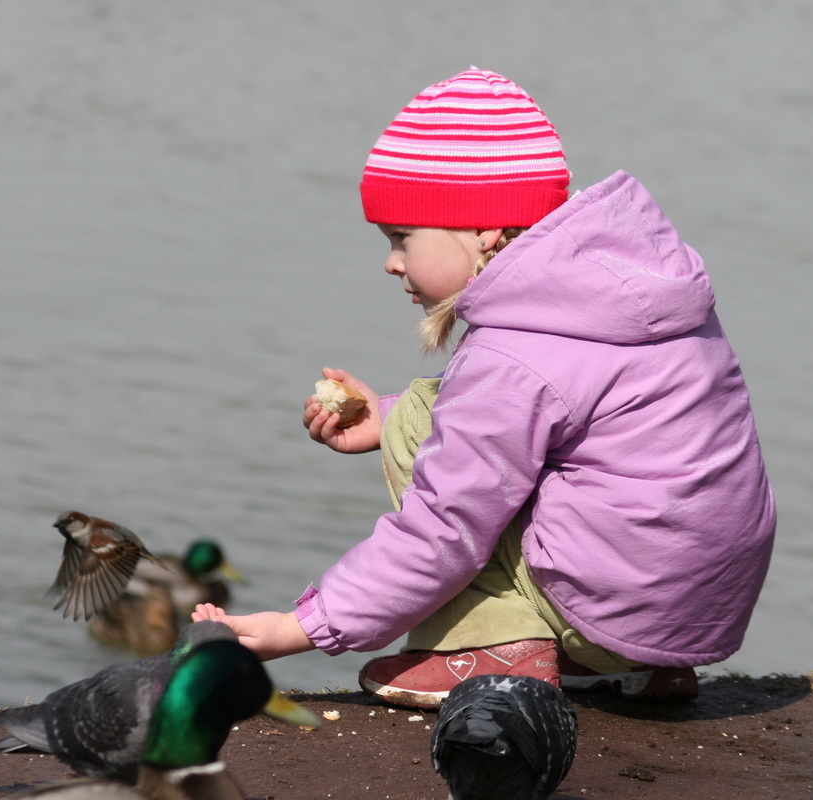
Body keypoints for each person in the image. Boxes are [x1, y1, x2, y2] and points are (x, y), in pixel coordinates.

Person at [194, 67, 776, 710]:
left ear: (482, 231)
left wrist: (301, 626)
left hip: (612, 605)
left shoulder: (507, 355)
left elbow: (445, 527)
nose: (391, 262)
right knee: (426, 414)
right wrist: (385, 419)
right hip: (688, 610)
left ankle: (498, 649)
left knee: (432, 420)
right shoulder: (643, 291)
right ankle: (637, 669)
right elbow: (568, 410)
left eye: (402, 238)